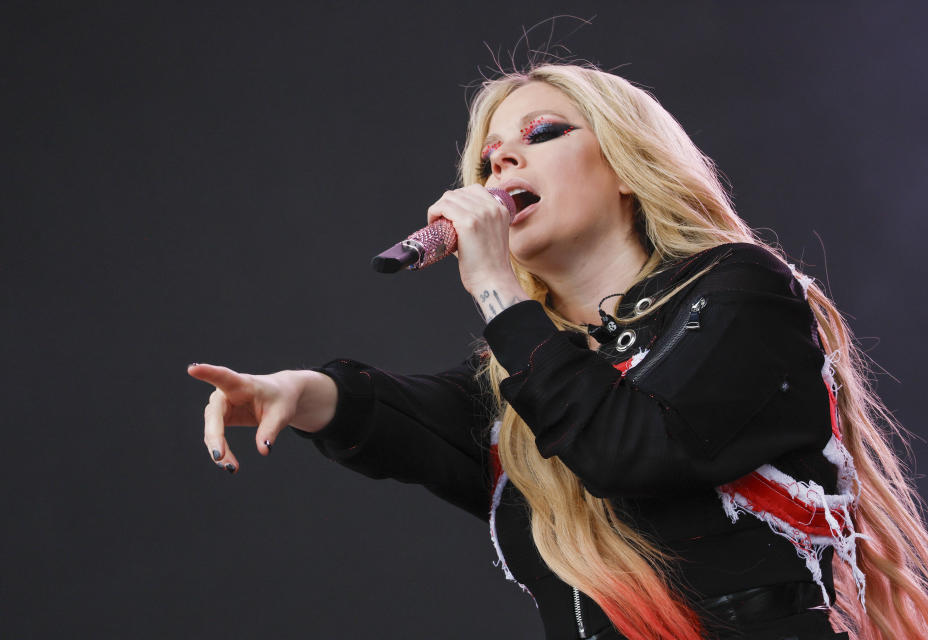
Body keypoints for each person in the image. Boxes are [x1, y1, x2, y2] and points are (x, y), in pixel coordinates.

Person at [187, 64, 928, 639]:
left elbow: (629, 448)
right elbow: (413, 416)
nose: (501, 161)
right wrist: (301, 392)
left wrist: (493, 284)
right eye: (488, 159)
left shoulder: (742, 291)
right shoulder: (525, 381)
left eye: (540, 135)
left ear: (626, 167)